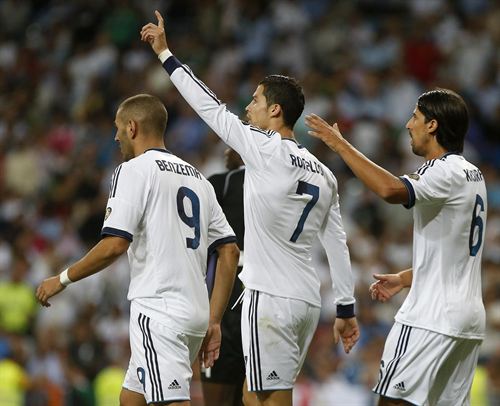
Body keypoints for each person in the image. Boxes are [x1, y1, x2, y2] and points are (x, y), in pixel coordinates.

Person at [141, 11, 359, 406]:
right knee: (254, 397)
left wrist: (165, 55)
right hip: (307, 302)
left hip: (269, 296)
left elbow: (210, 108)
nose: (248, 107)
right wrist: (345, 307)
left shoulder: (264, 148)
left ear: (275, 110)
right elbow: (337, 243)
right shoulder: (325, 174)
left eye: (256, 100)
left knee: (265, 399)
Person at [36, 93, 240, 406]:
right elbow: (230, 251)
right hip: (195, 315)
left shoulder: (133, 170)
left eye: (118, 128)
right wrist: (214, 320)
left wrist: (61, 279)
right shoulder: (198, 178)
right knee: (132, 398)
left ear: (132, 127)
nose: (116, 136)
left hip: (159, 311)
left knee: (171, 401)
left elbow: (115, 244)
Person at [305, 88, 487, 405]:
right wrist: (405, 278)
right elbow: (458, 256)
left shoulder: (441, 170)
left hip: (430, 316)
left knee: (391, 401)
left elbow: (390, 190)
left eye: (415, 117)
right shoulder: (474, 174)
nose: (408, 125)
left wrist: (339, 145)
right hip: (467, 319)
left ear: (432, 125)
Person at [202, 148, 245, 406]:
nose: (226, 152)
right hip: (271, 291)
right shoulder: (284, 184)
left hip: (229, 288)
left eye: (231, 145)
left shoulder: (223, 183)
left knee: (218, 394)